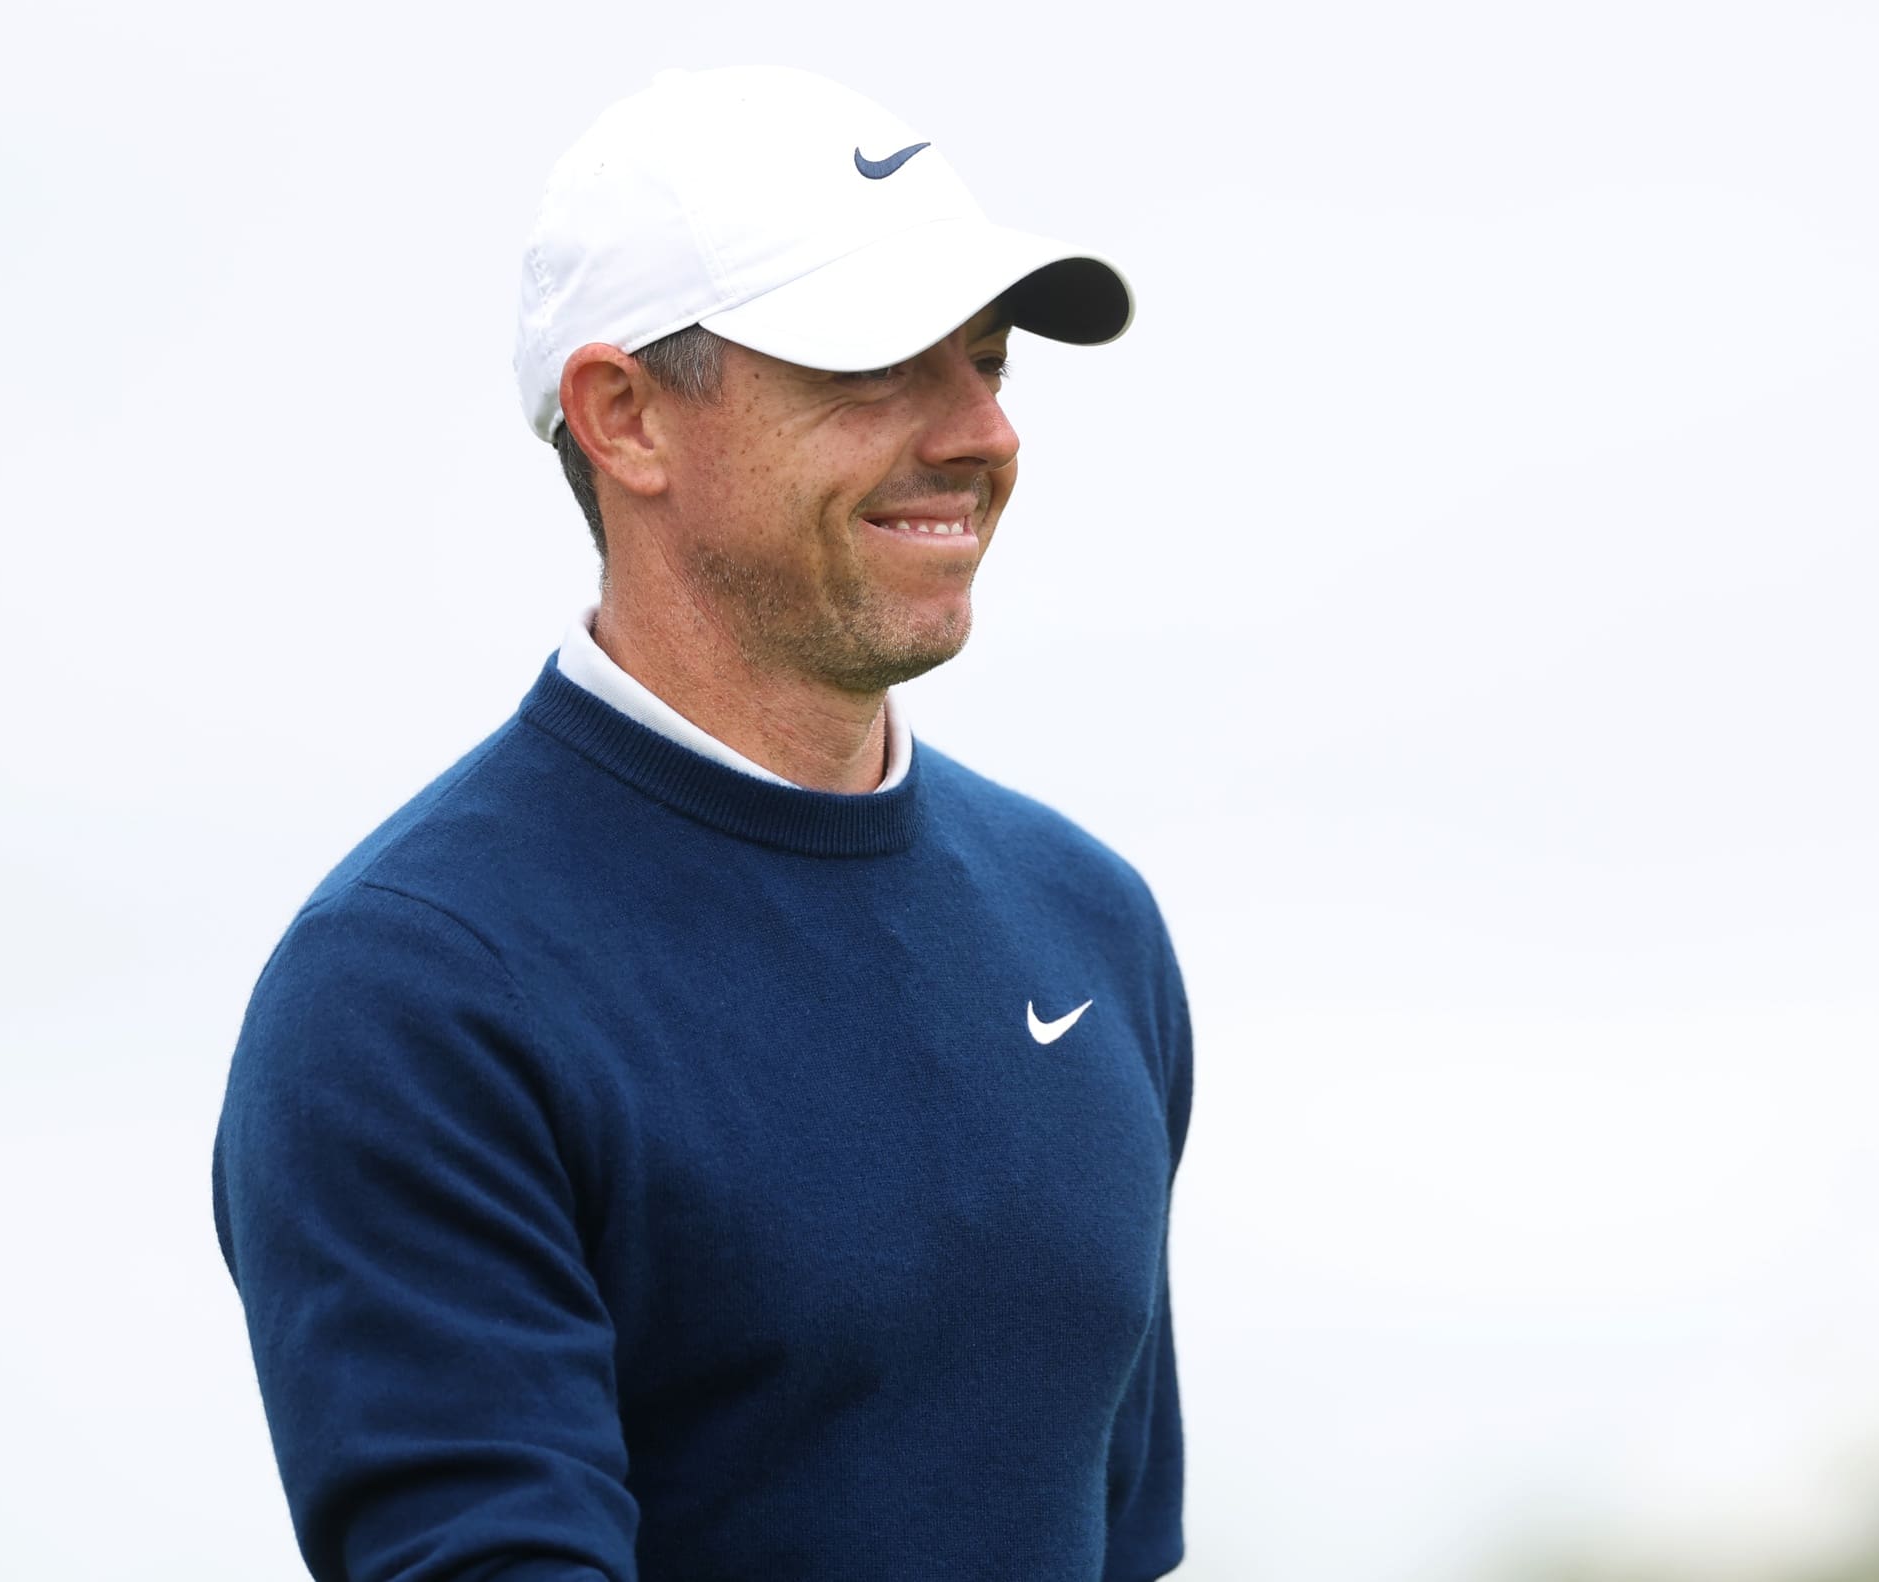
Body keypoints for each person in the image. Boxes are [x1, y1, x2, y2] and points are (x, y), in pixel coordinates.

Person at [211, 64, 1194, 1582]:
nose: (979, 432)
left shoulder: (1086, 923)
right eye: (873, 368)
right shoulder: (418, 991)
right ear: (625, 417)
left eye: (989, 361)